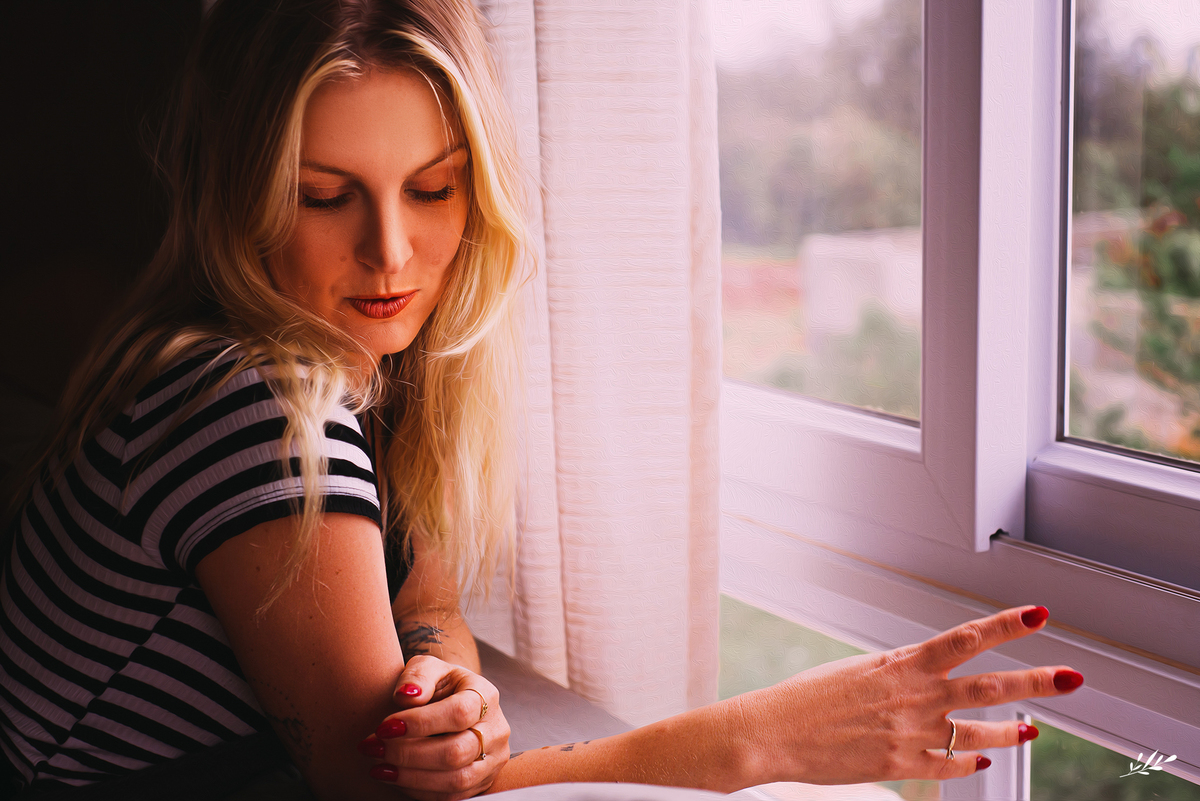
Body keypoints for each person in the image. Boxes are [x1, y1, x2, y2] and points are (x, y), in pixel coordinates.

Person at [0, 0, 1084, 799]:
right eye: (324, 196)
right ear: (239, 199)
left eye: (433, 188)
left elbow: (427, 600)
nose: (392, 251)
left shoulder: (367, 359)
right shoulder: (251, 406)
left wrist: (441, 687)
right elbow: (377, 790)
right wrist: (755, 740)